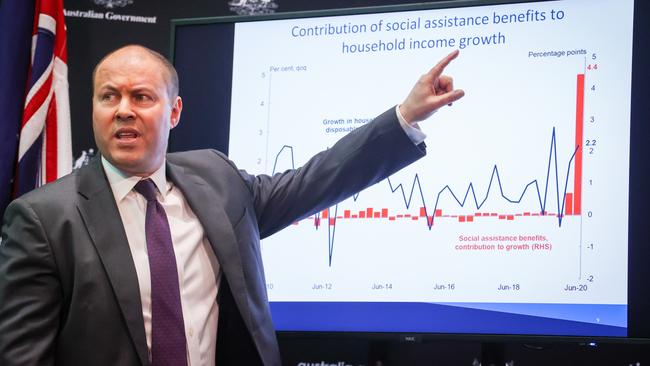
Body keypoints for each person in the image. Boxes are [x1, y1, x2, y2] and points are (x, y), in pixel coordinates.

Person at [0, 44, 464, 366]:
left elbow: (315, 181)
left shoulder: (216, 180)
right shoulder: (44, 219)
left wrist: (404, 116)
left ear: (174, 112)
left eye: (141, 97)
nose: (124, 110)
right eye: (109, 97)